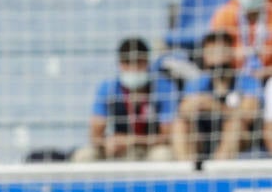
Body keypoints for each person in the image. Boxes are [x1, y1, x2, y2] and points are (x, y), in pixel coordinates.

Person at [78, 36, 176, 162]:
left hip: (151, 148)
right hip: (118, 149)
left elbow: (168, 136)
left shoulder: (164, 88)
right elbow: (95, 135)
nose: (133, 68)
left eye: (138, 62)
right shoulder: (108, 88)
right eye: (127, 63)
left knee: (163, 155)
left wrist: (132, 140)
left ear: (147, 62)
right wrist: (107, 142)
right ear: (120, 64)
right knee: (85, 155)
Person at [173, 30, 262, 162]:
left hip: (241, 139)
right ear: (204, 55)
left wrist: (215, 106)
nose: (217, 56)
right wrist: (196, 105)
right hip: (203, 136)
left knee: (233, 125)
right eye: (212, 52)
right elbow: (183, 110)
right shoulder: (197, 83)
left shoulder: (247, 81)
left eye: (221, 51)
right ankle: (186, 171)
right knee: (180, 125)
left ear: (231, 53)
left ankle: (217, 172)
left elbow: (249, 115)